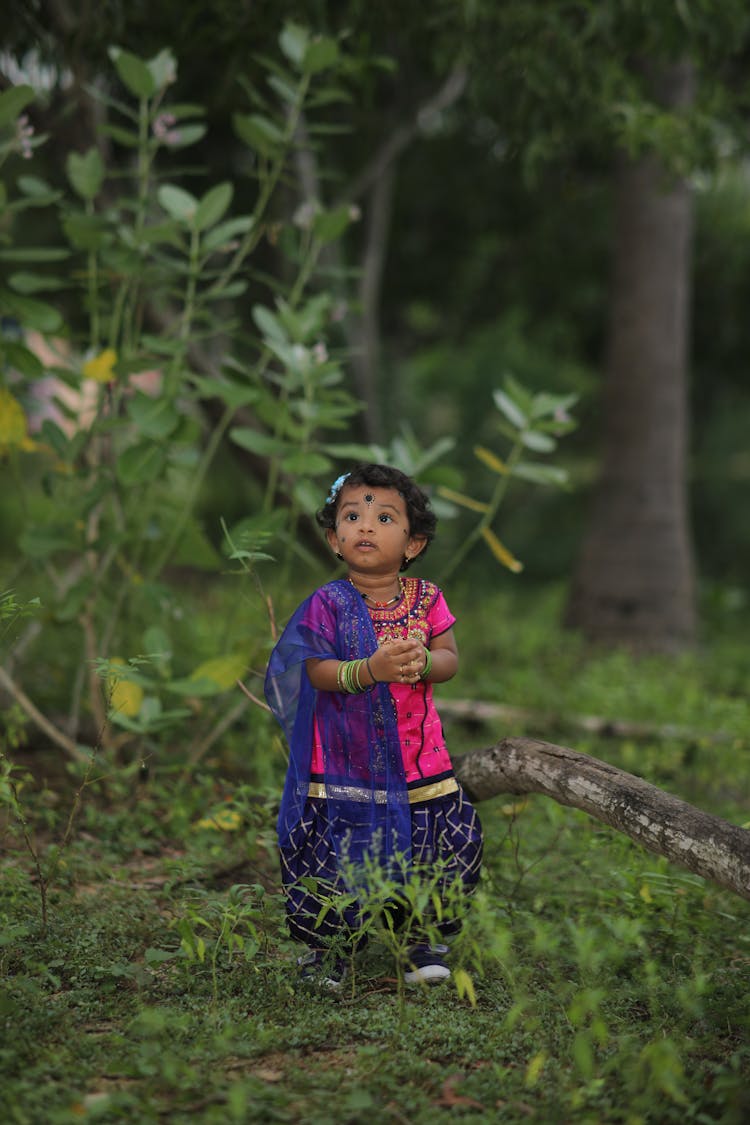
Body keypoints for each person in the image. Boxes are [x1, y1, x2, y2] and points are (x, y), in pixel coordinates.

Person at [264, 463, 483, 989]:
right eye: (352, 515)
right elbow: (316, 672)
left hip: (418, 761)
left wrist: (423, 664)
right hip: (343, 763)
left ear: (413, 543)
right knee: (338, 854)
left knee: (432, 848)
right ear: (333, 539)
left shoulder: (427, 599)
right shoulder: (328, 605)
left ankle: (418, 940)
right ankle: (331, 949)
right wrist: (370, 671)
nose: (365, 526)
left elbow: (450, 657)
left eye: (384, 517)